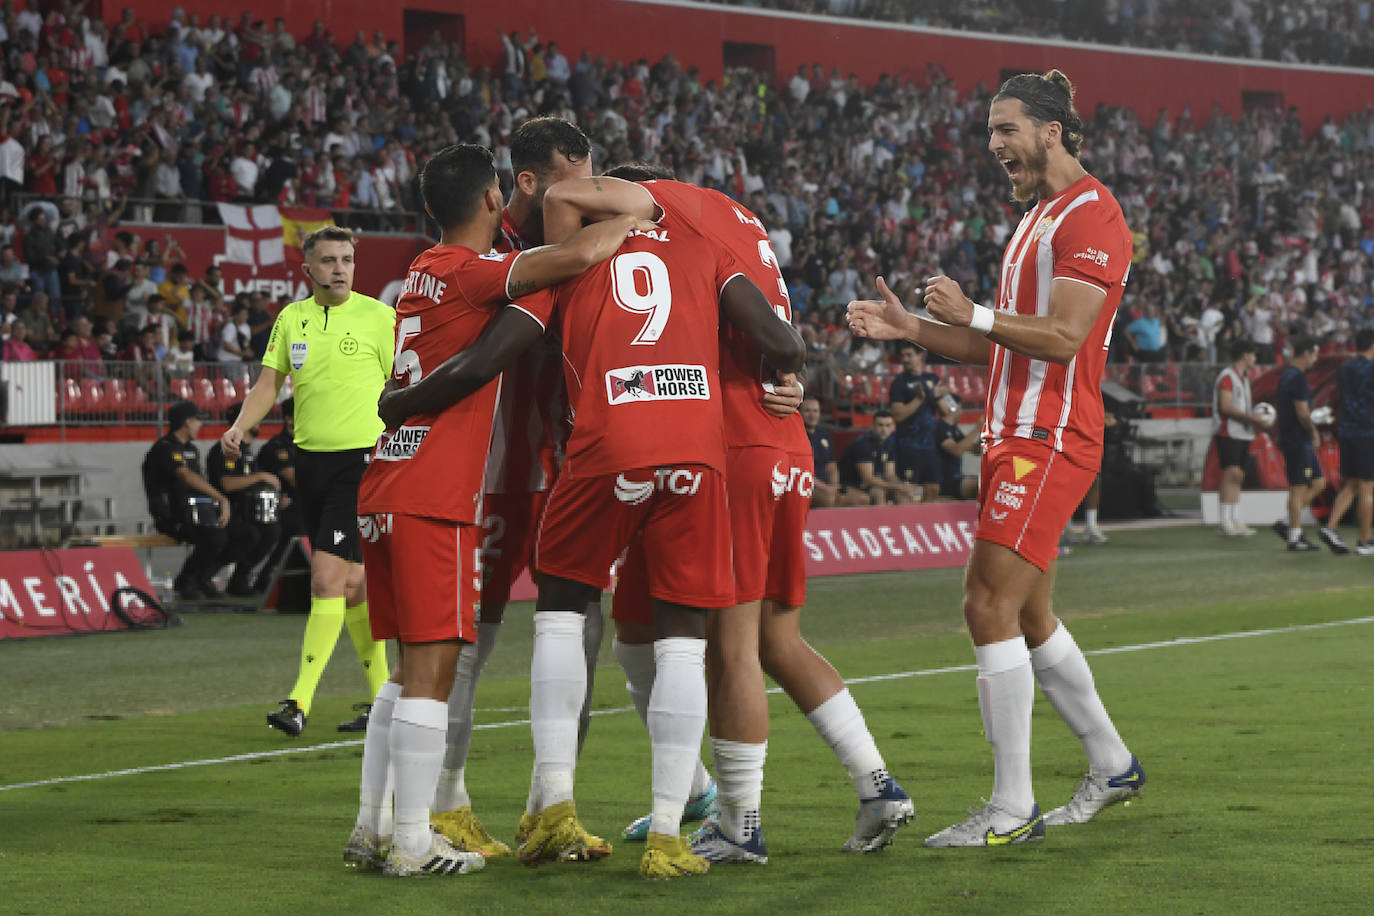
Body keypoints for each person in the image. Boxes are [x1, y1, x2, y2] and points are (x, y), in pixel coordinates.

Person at [378, 173, 805, 879]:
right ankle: (669, 834)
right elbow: (778, 340)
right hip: (697, 456)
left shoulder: (572, 259)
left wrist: (404, 402)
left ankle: (552, 802)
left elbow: (489, 358)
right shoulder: (704, 249)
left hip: (605, 448)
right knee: (680, 642)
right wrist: (786, 376)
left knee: (560, 615)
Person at [546, 169, 913, 862]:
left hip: (727, 442)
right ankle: (867, 785)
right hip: (768, 441)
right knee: (694, 632)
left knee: (729, 647)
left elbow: (761, 331)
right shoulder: (734, 220)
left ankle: (739, 822)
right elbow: (769, 326)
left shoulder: (667, 212)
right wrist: (787, 368)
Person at [847, 69, 1144, 846]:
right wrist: (910, 329)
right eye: (990, 132)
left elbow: (1064, 337)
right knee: (1030, 612)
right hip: (1014, 433)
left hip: (1048, 437)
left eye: (1006, 129)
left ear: (1050, 131)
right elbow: (994, 340)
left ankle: (1012, 806)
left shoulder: (1093, 214)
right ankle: (1112, 764)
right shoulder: (1037, 218)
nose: (995, 146)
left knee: (986, 603)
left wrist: (977, 309)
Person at [346, 143, 654, 875]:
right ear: (501, 192)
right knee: (441, 663)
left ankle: (374, 826)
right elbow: (559, 276)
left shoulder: (424, 268)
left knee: (407, 670)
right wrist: (638, 214)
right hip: (448, 494)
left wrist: (396, 405)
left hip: (393, 483)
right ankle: (419, 834)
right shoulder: (487, 272)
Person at [422, 117, 603, 861]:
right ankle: (445, 802)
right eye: (578, 176)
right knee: (470, 644)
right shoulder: (485, 261)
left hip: (568, 479)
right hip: (494, 482)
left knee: (582, 639)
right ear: (524, 184)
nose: (590, 191)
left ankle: (547, 805)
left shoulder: (572, 256)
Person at [222, 226, 394, 737]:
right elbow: (268, 384)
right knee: (356, 586)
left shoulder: (379, 317)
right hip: (310, 464)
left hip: (361, 461)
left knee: (324, 579)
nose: (339, 268)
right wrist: (240, 426)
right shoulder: (291, 319)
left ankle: (298, 701)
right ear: (308, 270)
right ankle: (383, 703)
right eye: (328, 260)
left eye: (347, 259)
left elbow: (403, 384)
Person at [141, 400, 231, 600]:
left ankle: (203, 578)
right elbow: (187, 476)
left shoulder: (191, 449)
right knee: (215, 537)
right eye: (198, 420)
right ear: (187, 422)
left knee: (242, 532)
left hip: (193, 513)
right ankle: (186, 579)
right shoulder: (164, 449)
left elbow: (197, 482)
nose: (201, 425)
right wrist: (221, 499)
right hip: (172, 517)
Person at [205, 402, 282, 597]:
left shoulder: (247, 451)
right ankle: (203, 575)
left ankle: (240, 579)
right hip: (223, 512)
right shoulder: (224, 451)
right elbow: (228, 484)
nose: (259, 422)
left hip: (247, 511)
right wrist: (261, 477)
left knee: (272, 532)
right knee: (250, 535)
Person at [1270, 337, 1330, 553]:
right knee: (1298, 487)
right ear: (1306, 353)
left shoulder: (1288, 375)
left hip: (1295, 439)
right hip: (1297, 440)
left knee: (1319, 482)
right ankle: (1294, 537)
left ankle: (1287, 522)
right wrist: (1313, 432)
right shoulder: (1297, 378)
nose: (1316, 358)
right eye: (1315, 353)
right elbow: (1302, 412)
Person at [1324, 329, 1374, 555]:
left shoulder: (1344, 368)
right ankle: (1365, 541)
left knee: (1353, 484)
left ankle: (1331, 526)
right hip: (1367, 431)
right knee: (1366, 487)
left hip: (1346, 431)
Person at [1211, 339, 1268, 537]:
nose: (1255, 358)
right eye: (1253, 354)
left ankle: (1235, 518)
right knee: (1232, 473)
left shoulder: (1243, 377)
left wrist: (1253, 420)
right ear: (1245, 354)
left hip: (1243, 432)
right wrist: (1250, 417)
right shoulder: (1228, 377)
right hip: (1228, 431)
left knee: (1239, 475)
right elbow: (1225, 407)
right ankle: (1225, 519)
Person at [254, 396, 303, 592]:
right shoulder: (277, 446)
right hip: (279, 507)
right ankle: (269, 577)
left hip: (301, 503)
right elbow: (294, 479)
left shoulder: (307, 443)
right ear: (289, 419)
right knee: (298, 524)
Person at [889, 341, 945, 502]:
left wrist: (939, 397)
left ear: (921, 356)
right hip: (908, 446)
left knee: (933, 488)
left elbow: (948, 412)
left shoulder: (932, 378)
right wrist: (921, 398)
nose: (905, 359)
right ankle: (905, 524)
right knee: (907, 491)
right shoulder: (899, 383)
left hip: (929, 445)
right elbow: (897, 415)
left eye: (909, 355)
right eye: (903, 356)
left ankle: (924, 524)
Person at [838, 410, 916, 505]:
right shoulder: (863, 444)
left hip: (875, 483)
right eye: (880, 425)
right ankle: (882, 520)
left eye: (888, 426)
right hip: (853, 484)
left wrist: (903, 485)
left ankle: (903, 519)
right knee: (878, 493)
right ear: (873, 426)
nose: (884, 429)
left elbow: (889, 474)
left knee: (903, 494)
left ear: (892, 427)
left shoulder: (889, 443)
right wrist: (897, 486)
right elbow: (868, 479)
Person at [934, 394, 980, 500]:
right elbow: (957, 450)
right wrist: (977, 429)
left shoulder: (955, 430)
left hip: (958, 478)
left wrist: (984, 434)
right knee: (980, 485)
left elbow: (975, 450)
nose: (961, 411)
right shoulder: (939, 427)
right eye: (959, 408)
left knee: (986, 482)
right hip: (944, 481)